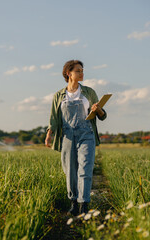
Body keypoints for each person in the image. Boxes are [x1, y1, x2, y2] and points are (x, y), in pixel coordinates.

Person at [45, 60, 107, 216]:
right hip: (67, 136)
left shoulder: (89, 92)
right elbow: (54, 118)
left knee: (85, 169)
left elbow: (102, 116)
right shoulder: (59, 95)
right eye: (78, 71)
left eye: (82, 70)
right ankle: (73, 202)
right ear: (68, 73)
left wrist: (98, 109)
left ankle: (84, 204)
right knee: (70, 171)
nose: (82, 73)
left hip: (86, 134)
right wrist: (49, 135)